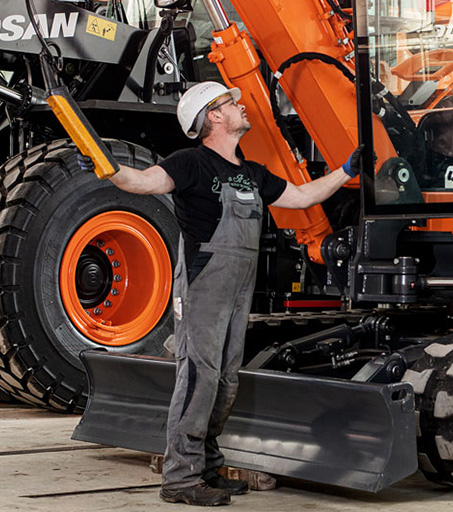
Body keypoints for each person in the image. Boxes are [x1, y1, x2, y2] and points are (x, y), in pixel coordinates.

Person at [78, 81, 362, 507]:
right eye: (232, 103)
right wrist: (107, 167)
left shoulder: (252, 173)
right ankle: (180, 477)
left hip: (238, 289)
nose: (241, 105)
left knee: (226, 381)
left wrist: (347, 170)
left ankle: (208, 467)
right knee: (197, 378)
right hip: (205, 285)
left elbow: (303, 197)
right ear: (213, 116)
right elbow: (140, 182)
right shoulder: (190, 163)